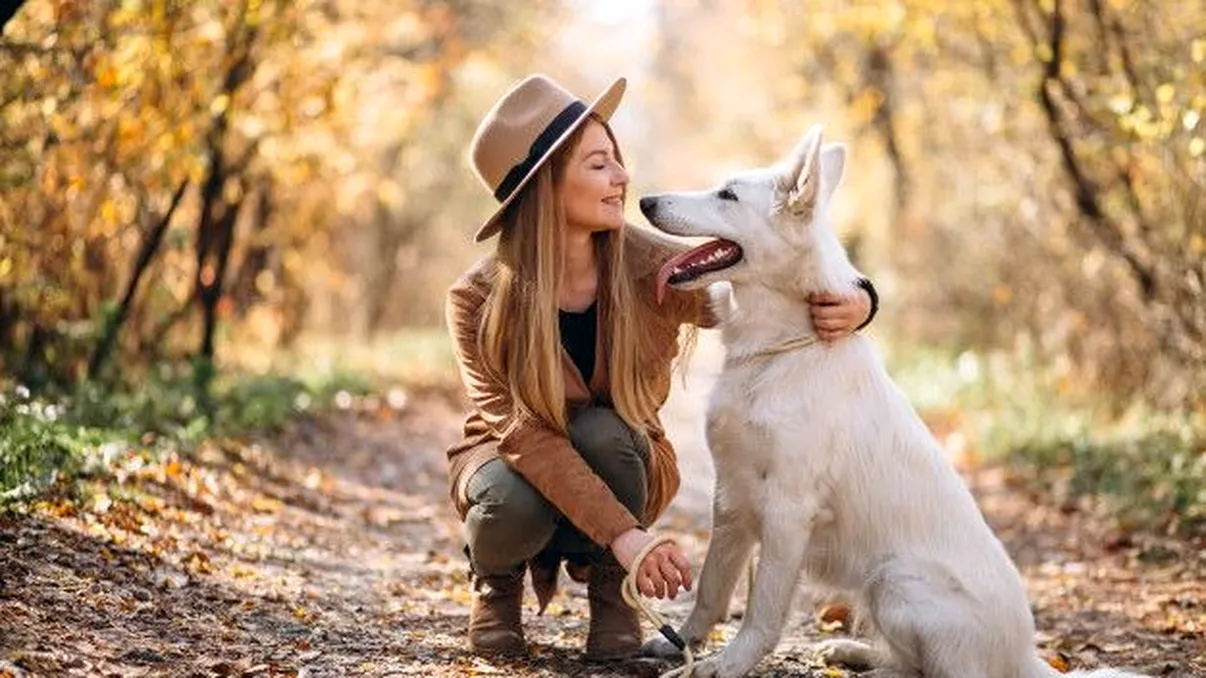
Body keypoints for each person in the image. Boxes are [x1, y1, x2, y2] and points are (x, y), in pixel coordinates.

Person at [443, 74, 877, 661]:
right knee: (506, 500)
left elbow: (774, 270)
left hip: (619, 458)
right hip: (515, 465)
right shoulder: (475, 300)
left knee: (605, 433)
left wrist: (860, 298)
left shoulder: (651, 265)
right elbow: (522, 436)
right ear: (545, 186)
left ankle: (611, 590)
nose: (622, 177)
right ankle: (497, 585)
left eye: (616, 158)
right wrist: (629, 536)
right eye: (599, 164)